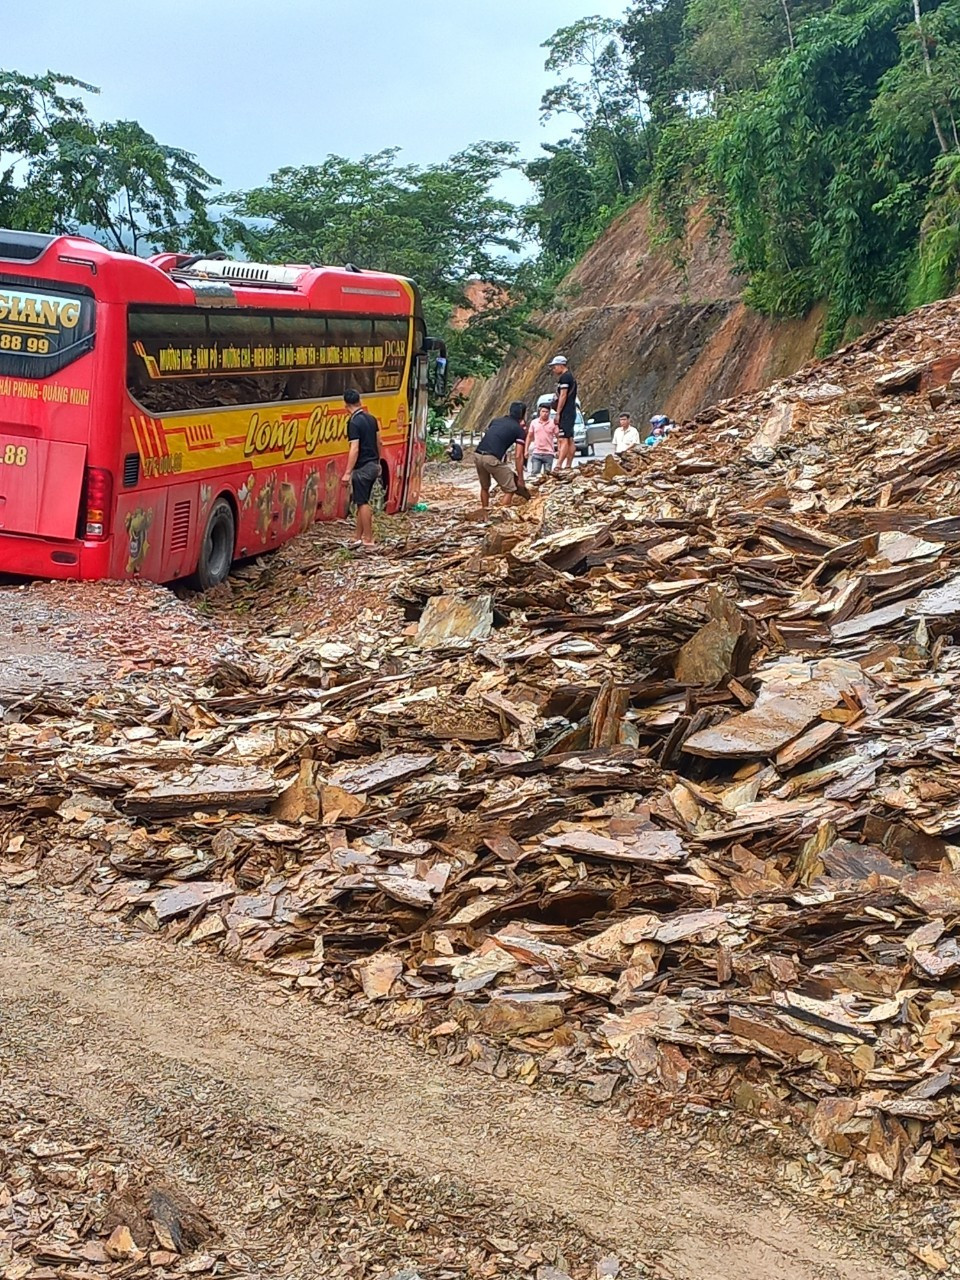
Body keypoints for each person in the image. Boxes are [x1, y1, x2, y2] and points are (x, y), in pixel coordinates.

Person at [341, 388, 381, 546]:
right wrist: (379, 462)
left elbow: (354, 448)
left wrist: (347, 472)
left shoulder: (353, 422)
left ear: (346, 405)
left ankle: (368, 538)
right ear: (359, 401)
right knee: (361, 499)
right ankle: (357, 535)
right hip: (373, 465)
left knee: (363, 503)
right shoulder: (371, 418)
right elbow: (379, 442)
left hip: (362, 468)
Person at [474, 401, 529, 511]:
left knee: (484, 487)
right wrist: (521, 479)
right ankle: (499, 515)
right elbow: (518, 456)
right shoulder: (519, 430)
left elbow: (493, 437)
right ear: (523, 415)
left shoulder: (495, 421)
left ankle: (485, 512)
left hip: (478, 454)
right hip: (491, 458)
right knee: (510, 488)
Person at [549, 355, 578, 470]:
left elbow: (563, 395)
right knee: (570, 439)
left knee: (564, 438)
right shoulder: (570, 377)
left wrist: (558, 412)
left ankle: (559, 464)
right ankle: (568, 464)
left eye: (555, 366)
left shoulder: (565, 378)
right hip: (571, 411)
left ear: (561, 365)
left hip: (566, 412)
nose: (554, 369)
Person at [526, 403, 558, 476]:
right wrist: (526, 450)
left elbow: (558, 437)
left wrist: (559, 450)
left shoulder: (553, 423)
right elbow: (529, 436)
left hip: (549, 453)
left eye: (547, 412)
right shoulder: (534, 422)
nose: (545, 414)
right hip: (536, 453)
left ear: (549, 413)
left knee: (548, 476)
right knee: (535, 474)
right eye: (543, 411)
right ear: (539, 412)